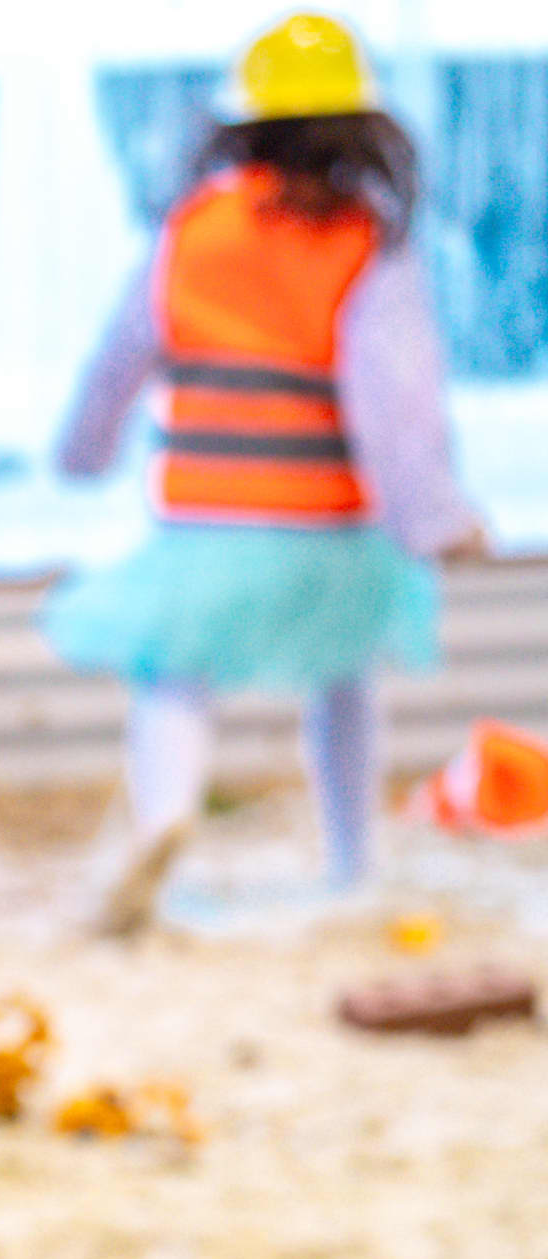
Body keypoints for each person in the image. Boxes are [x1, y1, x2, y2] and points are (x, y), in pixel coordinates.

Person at [48, 11, 490, 934]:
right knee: (344, 677)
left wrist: (82, 452)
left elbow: (121, 353)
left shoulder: (196, 230)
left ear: (237, 126)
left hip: (209, 519)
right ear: (365, 129)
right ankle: (350, 860)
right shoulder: (366, 242)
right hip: (329, 524)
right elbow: (396, 401)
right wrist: (437, 520)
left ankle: (160, 835)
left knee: (171, 675)